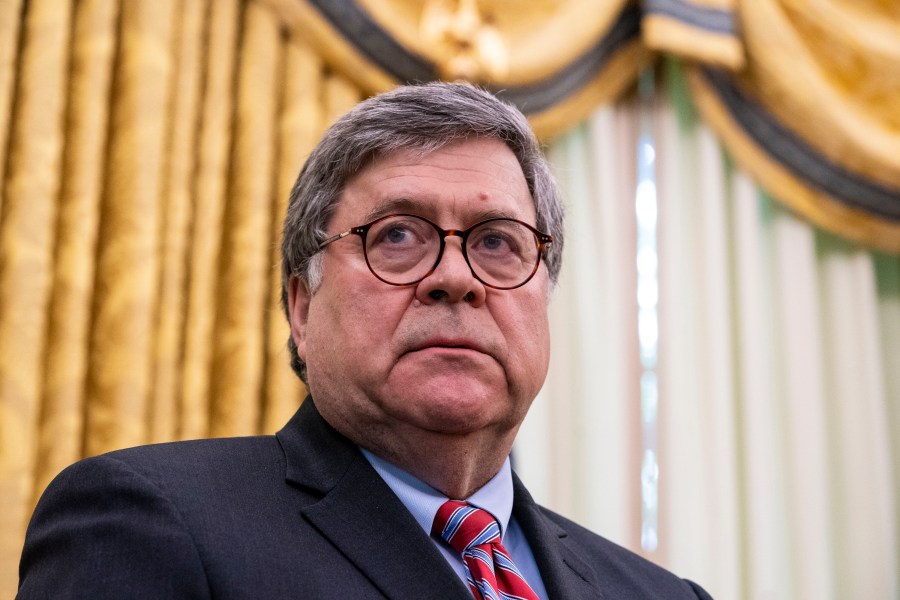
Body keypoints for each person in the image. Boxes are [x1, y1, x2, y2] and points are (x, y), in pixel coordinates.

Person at [17, 82, 712, 599]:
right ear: (301, 306)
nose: (454, 277)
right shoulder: (146, 523)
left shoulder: (660, 594)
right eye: (398, 237)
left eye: (498, 242)